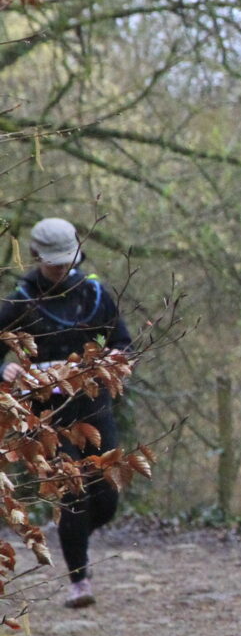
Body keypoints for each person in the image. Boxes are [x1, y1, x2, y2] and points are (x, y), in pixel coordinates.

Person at [0, 218, 133, 610]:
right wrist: (5, 370)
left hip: (95, 408)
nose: (61, 268)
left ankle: (74, 536)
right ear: (37, 256)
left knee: (105, 496)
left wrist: (114, 361)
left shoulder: (95, 295)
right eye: (53, 262)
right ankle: (80, 581)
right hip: (46, 417)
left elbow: (123, 342)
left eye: (66, 261)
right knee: (72, 491)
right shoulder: (19, 303)